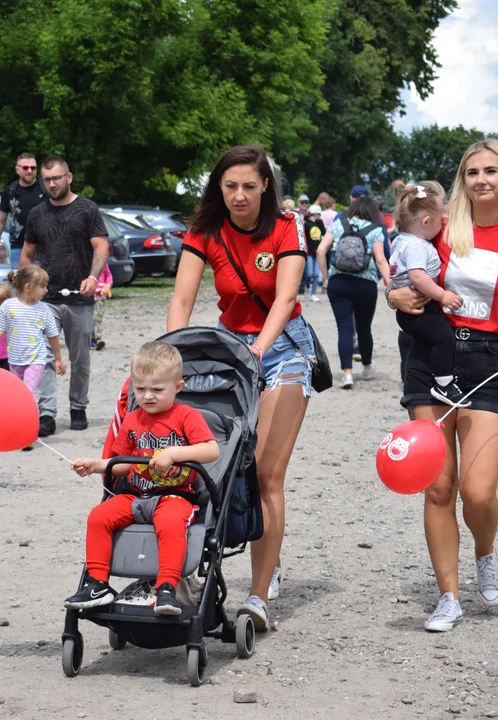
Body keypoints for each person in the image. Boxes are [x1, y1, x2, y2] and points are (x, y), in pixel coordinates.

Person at [388, 138, 498, 632]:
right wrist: (396, 294)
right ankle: (448, 596)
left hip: (489, 363)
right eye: (473, 171)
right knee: (438, 487)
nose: (482, 180)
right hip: (431, 355)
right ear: (463, 178)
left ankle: (485, 551)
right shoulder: (440, 226)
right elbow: (404, 272)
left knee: (477, 493)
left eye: (491, 171)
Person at [168, 144, 312, 630]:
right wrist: (171, 358)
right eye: (230, 186)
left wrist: (258, 351)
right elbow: (182, 297)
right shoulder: (205, 231)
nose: (240, 195)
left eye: (250, 185)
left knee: (267, 469)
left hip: (283, 348)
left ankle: (256, 597)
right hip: (229, 349)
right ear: (218, 188)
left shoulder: (286, 226)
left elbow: (286, 296)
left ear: (266, 186)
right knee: (224, 466)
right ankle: (198, 568)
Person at [65, 342, 220, 615]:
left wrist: (174, 453)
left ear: (178, 387)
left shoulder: (186, 416)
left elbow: (211, 449)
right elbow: (122, 464)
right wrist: (96, 465)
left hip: (175, 496)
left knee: (171, 524)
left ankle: (166, 588)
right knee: (98, 517)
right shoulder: (133, 419)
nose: (148, 396)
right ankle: (97, 583)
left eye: (157, 390)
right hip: (136, 495)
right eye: (140, 389)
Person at [18, 156, 108, 436]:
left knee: (80, 357)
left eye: (56, 178)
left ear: (69, 178)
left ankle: (78, 406)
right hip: (45, 299)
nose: (52, 184)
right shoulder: (37, 213)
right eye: (47, 180)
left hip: (79, 298)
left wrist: (93, 277)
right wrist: (24, 290)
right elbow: (28, 254)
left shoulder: (87, 209)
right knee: (42, 357)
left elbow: (101, 247)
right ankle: (46, 414)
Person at [386, 182, 467, 405]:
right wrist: (443, 295)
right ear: (425, 222)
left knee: (435, 339)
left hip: (412, 308)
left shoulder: (402, 240)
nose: (443, 223)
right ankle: (444, 385)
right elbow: (417, 277)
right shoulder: (417, 246)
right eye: (441, 218)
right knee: (443, 337)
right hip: (418, 307)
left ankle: (440, 381)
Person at [0, 265, 66, 450]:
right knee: (17, 397)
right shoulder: (8, 307)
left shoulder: (44, 311)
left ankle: (28, 434)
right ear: (28, 287)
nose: (46, 290)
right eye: (42, 286)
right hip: (15, 360)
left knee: (28, 394)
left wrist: (58, 359)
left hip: (36, 360)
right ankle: (16, 430)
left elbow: (53, 336)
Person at [316, 194, 391, 389]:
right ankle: (366, 368)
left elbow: (320, 251)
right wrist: (390, 283)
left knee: (344, 328)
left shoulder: (339, 224)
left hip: (338, 281)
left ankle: (347, 374)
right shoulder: (375, 230)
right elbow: (381, 260)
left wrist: (325, 278)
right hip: (365, 284)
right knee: (364, 327)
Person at [0, 153, 45, 264]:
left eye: (33, 168)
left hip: (43, 246)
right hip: (19, 246)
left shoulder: (45, 188)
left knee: (41, 281)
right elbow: (0, 220)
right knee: (19, 280)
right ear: (17, 169)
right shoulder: (10, 191)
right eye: (25, 168)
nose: (29, 171)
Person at [300, 204, 325, 300]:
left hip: (317, 252)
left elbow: (324, 233)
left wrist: (321, 223)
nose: (320, 216)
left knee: (316, 274)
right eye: (318, 214)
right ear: (314, 213)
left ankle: (313, 293)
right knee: (309, 273)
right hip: (309, 252)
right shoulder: (306, 225)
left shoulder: (319, 224)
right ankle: (307, 287)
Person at [91, 264, 113, 351]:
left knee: (97, 319)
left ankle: (97, 339)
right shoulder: (84, 262)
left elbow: (108, 276)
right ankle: (91, 339)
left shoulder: (103, 264)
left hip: (100, 297)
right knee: (89, 320)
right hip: (87, 298)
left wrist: (107, 286)